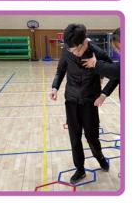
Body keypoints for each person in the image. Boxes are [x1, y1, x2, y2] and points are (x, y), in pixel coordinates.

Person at [50, 23, 119, 184]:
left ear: (84, 42)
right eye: (70, 50)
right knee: (74, 137)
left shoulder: (98, 53)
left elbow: (116, 75)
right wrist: (55, 87)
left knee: (91, 136)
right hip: (71, 101)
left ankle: (100, 158)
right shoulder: (67, 51)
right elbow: (60, 70)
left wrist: (103, 95)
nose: (73, 53)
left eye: (76, 50)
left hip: (90, 102)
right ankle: (80, 169)